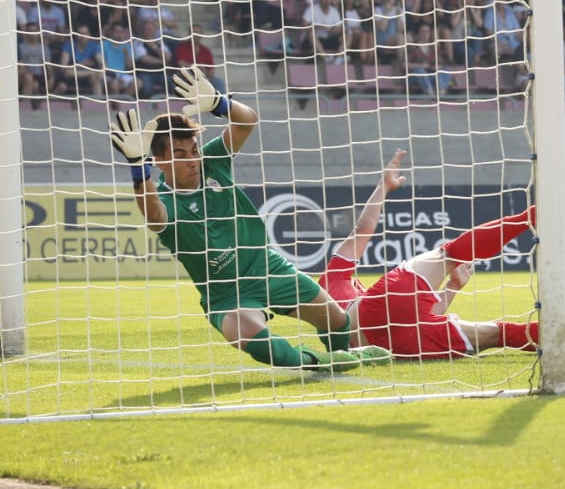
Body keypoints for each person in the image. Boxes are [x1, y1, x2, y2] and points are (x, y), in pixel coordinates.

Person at [109, 67, 390, 372]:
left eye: (193, 150)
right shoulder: (165, 200)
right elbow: (153, 217)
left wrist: (219, 103)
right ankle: (316, 362)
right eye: (181, 154)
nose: (193, 160)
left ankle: (348, 355)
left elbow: (248, 121)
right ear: (160, 162)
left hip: (267, 266)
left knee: (338, 320)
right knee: (262, 346)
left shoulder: (213, 162)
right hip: (226, 294)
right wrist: (138, 168)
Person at [318, 151, 565, 358]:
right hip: (378, 307)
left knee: (501, 334)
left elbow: (422, 318)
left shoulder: (327, 299)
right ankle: (534, 215)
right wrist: (383, 188)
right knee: (450, 253)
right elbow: (363, 228)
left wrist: (453, 288)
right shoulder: (332, 279)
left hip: (393, 346)